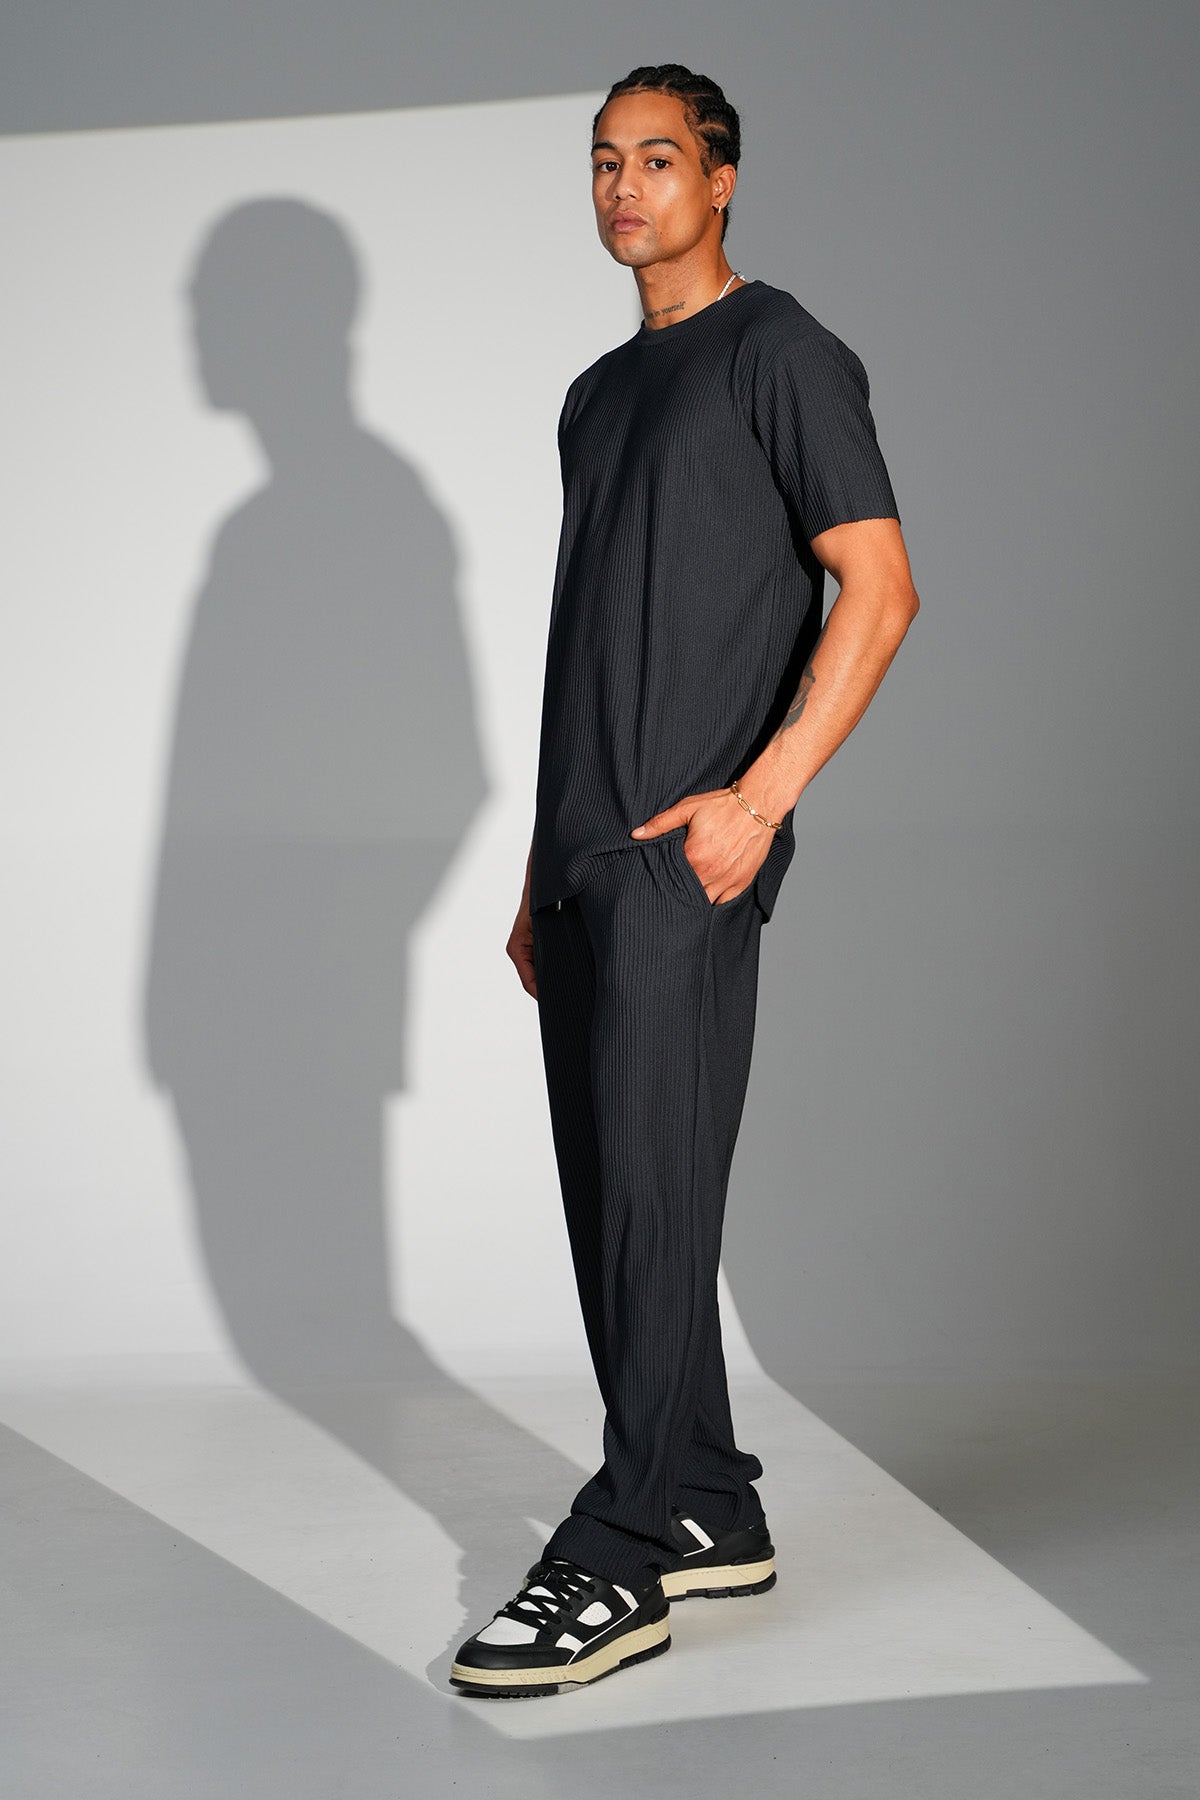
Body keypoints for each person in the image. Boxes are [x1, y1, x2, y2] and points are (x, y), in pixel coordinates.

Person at [450, 62, 920, 1699]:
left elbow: (879, 587)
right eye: (603, 162)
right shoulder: (595, 395)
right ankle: (709, 1499)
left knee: (658, 1203)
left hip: (686, 863)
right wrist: (540, 864)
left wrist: (761, 802)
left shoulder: (781, 352)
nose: (624, 188)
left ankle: (624, 1548)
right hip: (585, 860)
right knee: (613, 1208)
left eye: (657, 159)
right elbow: (586, 639)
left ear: (721, 180)